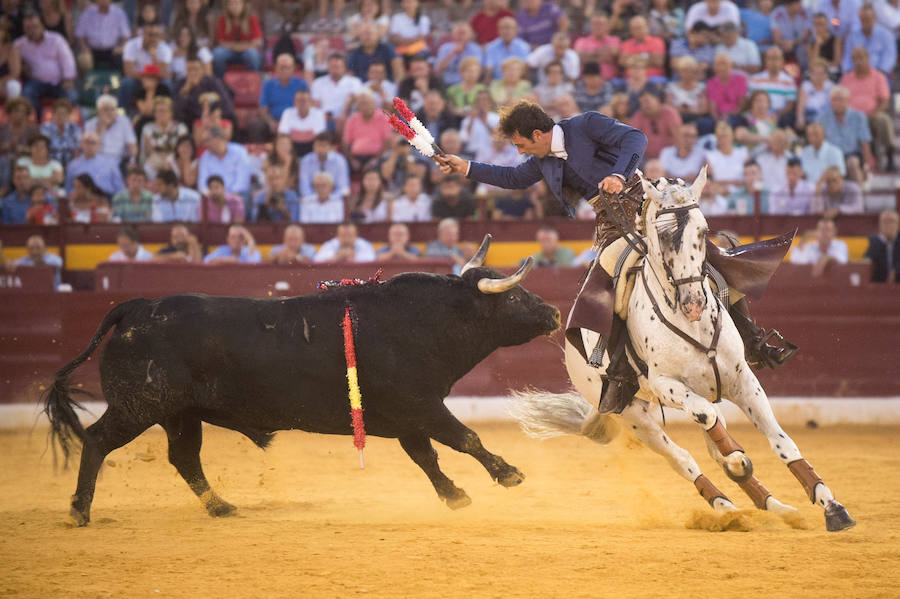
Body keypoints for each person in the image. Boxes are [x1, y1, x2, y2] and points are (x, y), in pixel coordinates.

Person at [437, 99, 793, 412]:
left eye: (520, 144)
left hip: (644, 203)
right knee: (605, 284)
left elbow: (636, 138)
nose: (520, 152)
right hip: (610, 224)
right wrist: (465, 167)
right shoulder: (543, 161)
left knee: (702, 256)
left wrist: (618, 175)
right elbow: (513, 178)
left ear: (537, 133)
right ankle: (621, 370)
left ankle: (752, 338)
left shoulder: (584, 125)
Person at [839, 47, 893, 171]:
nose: (858, 61)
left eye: (861, 57)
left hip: (872, 115)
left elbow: (884, 101)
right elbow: (841, 99)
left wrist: (872, 114)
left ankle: (889, 155)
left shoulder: (878, 76)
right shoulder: (846, 78)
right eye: (855, 58)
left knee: (883, 120)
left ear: (868, 58)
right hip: (851, 117)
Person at [14, 11, 77, 114]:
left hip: (58, 82)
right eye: (28, 28)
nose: (32, 31)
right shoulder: (19, 44)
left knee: (71, 96)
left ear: (43, 26)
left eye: (35, 27)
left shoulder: (56, 39)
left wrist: (68, 79)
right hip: (35, 83)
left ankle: (66, 125)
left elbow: (67, 60)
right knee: (27, 95)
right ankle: (38, 121)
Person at [817, 85, 874, 183]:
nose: (838, 103)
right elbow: (819, 142)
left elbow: (865, 143)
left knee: (853, 162)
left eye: (841, 99)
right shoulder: (822, 118)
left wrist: (866, 165)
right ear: (830, 101)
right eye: (835, 99)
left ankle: (858, 195)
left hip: (852, 154)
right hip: (831, 155)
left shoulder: (859, 116)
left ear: (848, 100)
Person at [259, 54, 309, 139]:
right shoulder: (268, 85)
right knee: (256, 125)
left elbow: (306, 107)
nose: (284, 70)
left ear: (293, 69)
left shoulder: (302, 85)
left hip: (295, 120)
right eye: (281, 67)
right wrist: (271, 122)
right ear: (275, 68)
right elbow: (263, 108)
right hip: (273, 120)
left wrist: (286, 123)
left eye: (287, 67)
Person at [342, 90, 392, 174]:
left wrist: (375, 160)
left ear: (373, 103)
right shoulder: (352, 119)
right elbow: (346, 143)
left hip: (378, 157)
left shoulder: (384, 117)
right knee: (342, 165)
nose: (364, 107)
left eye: (366, 103)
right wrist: (352, 160)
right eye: (361, 104)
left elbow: (387, 143)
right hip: (356, 157)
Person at [74, 0, 131, 72]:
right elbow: (80, 35)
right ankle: (88, 82)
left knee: (121, 58)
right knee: (83, 59)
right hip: (92, 49)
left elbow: (126, 36)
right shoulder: (88, 12)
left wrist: (121, 48)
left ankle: (116, 82)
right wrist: (84, 48)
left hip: (113, 50)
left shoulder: (119, 13)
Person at [197, 127, 252, 201]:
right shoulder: (205, 157)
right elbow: (203, 185)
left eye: (207, 140)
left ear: (217, 139)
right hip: (214, 198)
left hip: (237, 197)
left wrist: (227, 198)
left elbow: (242, 181)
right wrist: (214, 196)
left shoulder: (239, 152)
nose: (204, 145)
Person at [140, 97, 188, 181]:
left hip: (174, 159)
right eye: (158, 111)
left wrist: (169, 158)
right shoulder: (148, 128)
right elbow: (149, 151)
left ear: (171, 113)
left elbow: (183, 149)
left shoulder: (180, 128)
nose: (161, 114)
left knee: (169, 164)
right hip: (155, 158)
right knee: (148, 166)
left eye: (164, 111)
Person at [310, 53, 362, 129]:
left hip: (347, 119)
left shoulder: (354, 82)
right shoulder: (318, 83)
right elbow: (315, 104)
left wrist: (343, 115)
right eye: (332, 67)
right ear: (328, 68)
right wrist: (322, 116)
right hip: (324, 120)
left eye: (338, 67)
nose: (335, 70)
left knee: (343, 122)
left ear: (344, 68)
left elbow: (353, 100)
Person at [211, 0, 263, 77]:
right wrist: (242, 46)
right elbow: (221, 42)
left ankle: (253, 81)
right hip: (229, 52)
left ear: (243, 5)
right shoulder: (223, 19)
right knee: (217, 54)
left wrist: (234, 46)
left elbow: (256, 42)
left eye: (237, 3)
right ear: (227, 6)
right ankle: (220, 82)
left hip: (246, 52)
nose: (234, 7)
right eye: (231, 4)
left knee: (252, 55)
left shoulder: (252, 19)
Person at [841, 3, 896, 75]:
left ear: (875, 18)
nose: (866, 22)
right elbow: (847, 57)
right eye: (863, 19)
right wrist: (848, 72)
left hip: (879, 74)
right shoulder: (852, 37)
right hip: (856, 75)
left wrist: (879, 73)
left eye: (868, 19)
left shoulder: (887, 35)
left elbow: (889, 57)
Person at [84, 95, 137, 168]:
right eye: (105, 110)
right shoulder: (90, 124)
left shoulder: (124, 121)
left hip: (119, 162)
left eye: (112, 109)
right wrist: (101, 127)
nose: (109, 113)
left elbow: (132, 145)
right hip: (95, 162)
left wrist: (132, 161)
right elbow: (90, 148)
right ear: (99, 111)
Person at [65, 132, 125, 197]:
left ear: (99, 145)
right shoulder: (73, 165)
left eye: (93, 143)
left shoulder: (110, 164)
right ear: (81, 144)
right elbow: (69, 190)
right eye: (87, 142)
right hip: (81, 201)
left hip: (106, 199)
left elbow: (120, 189)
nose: (90, 146)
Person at [629, 89, 681, 160]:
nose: (644, 105)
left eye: (647, 101)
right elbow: (632, 139)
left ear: (657, 100)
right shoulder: (638, 116)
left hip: (669, 158)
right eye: (641, 103)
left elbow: (678, 137)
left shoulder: (669, 113)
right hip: (644, 158)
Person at [299, 132, 351, 199]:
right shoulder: (306, 161)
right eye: (318, 146)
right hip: (311, 200)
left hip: (335, 199)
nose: (320, 149)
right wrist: (315, 198)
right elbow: (304, 187)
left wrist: (330, 198)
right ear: (313, 147)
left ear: (330, 147)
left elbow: (343, 187)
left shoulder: (340, 161)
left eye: (324, 146)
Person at [278, 89, 327, 157]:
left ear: (310, 102)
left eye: (304, 101)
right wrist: (308, 133)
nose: (301, 103)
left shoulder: (318, 114)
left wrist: (295, 133)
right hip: (292, 147)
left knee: (320, 144)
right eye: (299, 101)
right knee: (283, 142)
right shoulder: (287, 113)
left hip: (311, 147)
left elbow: (319, 137)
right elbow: (282, 135)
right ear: (294, 102)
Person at [573, 13, 621, 81]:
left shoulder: (614, 40)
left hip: (610, 82)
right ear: (590, 26)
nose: (598, 27)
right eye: (595, 24)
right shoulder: (582, 41)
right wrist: (600, 54)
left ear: (607, 25)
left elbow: (613, 54)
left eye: (601, 24)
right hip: (586, 83)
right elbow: (578, 57)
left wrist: (589, 56)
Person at [434, 23, 483, 87]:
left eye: (463, 33)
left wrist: (462, 53)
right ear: (453, 35)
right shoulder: (445, 48)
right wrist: (452, 53)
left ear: (470, 35)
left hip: (469, 84)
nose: (460, 36)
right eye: (458, 33)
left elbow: (477, 69)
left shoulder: (476, 49)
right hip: (448, 84)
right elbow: (439, 69)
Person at [483, 16, 531, 82]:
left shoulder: (523, 47)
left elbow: (525, 70)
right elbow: (489, 70)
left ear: (516, 30)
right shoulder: (491, 47)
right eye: (503, 28)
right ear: (498, 30)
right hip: (497, 84)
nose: (506, 31)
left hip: (517, 83)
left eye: (509, 28)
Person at [40, 98, 81, 169]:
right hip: (50, 165)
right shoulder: (45, 128)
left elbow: (77, 148)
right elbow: (44, 148)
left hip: (70, 165)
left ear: (69, 115)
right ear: (53, 114)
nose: (61, 116)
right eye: (58, 113)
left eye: (64, 114)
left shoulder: (75, 129)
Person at [706, 53, 748, 121]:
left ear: (731, 65)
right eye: (717, 64)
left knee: (729, 122)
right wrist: (717, 119)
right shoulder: (711, 82)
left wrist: (729, 115)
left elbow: (742, 106)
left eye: (724, 64)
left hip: (735, 115)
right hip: (718, 115)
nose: (721, 68)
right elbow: (712, 106)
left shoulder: (741, 79)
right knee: (705, 124)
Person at [864, 210, 900, 283]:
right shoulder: (873, 241)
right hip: (879, 284)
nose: (888, 224)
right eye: (884, 221)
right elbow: (867, 261)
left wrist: (896, 272)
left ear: (898, 224)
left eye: (891, 221)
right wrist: (882, 241)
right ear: (879, 225)